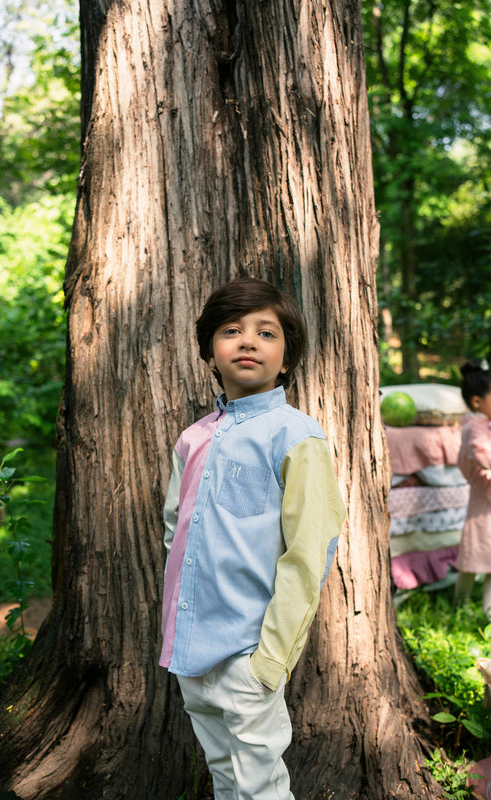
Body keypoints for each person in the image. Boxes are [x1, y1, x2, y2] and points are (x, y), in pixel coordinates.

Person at [159, 276, 346, 800]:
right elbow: (177, 527)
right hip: (191, 647)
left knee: (260, 783)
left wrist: (270, 657)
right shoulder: (192, 438)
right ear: (210, 351)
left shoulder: (296, 436)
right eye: (231, 330)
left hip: (248, 649)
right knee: (223, 773)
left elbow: (309, 552)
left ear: (286, 359)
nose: (247, 341)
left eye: (266, 333)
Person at [454, 359, 491, 618]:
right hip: (482, 497)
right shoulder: (475, 426)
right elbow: (479, 453)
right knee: (472, 556)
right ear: (477, 402)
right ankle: (460, 605)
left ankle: (488, 613)